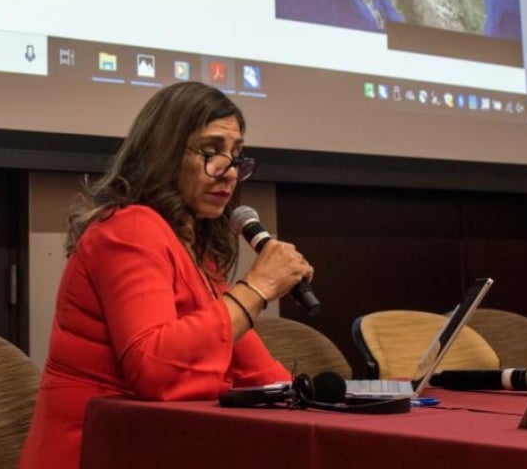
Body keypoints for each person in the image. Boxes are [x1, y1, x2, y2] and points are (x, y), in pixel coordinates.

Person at [17, 81, 314, 468]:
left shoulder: (193, 250)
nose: (228, 172)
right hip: (96, 449)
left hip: (154, 443)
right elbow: (155, 369)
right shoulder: (129, 227)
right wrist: (258, 286)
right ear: (165, 154)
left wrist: (326, 403)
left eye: (235, 156)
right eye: (211, 153)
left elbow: (251, 367)